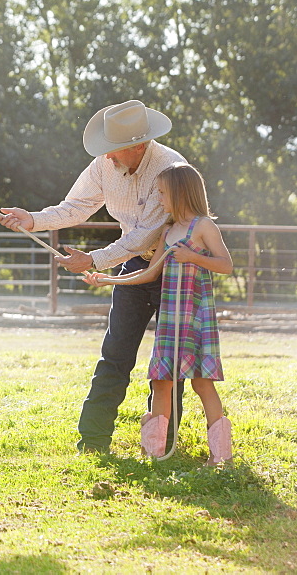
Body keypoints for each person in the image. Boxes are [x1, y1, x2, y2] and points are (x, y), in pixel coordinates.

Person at [0, 100, 187, 454]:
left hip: (174, 268)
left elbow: (144, 235)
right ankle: (93, 440)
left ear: (138, 145)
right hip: (132, 267)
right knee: (115, 352)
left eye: (114, 152)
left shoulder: (170, 169)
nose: (108, 158)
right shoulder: (105, 165)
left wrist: (94, 260)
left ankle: (163, 442)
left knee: (168, 360)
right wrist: (33, 220)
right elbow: (77, 206)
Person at [83, 162, 234, 464]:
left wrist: (191, 256)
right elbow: (150, 274)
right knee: (161, 380)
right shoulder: (167, 231)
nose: (160, 199)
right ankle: (155, 451)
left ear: (180, 193)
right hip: (169, 319)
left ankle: (222, 456)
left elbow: (226, 265)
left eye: (163, 193)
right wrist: (107, 278)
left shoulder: (204, 227)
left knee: (201, 382)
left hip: (194, 316)